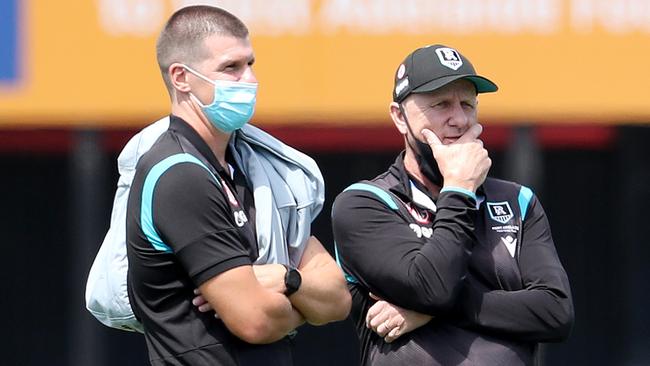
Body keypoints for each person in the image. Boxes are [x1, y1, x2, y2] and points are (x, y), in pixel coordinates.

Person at [124, 5, 350, 365]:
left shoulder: (252, 169)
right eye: (232, 67)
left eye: (250, 64)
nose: (250, 79)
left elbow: (338, 298)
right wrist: (303, 304)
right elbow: (256, 320)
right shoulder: (179, 175)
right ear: (181, 77)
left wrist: (286, 279)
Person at [332, 44, 574, 365]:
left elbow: (556, 312)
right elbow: (433, 289)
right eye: (440, 104)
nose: (458, 119)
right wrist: (459, 187)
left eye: (467, 104)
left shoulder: (517, 201)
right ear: (399, 117)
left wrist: (431, 312)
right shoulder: (364, 204)